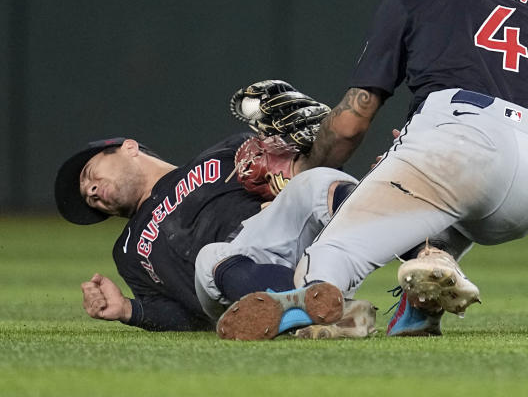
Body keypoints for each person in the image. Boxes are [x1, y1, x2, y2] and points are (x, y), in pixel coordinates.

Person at [220, 0, 528, 340]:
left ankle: (319, 306)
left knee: (331, 256)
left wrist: (309, 165)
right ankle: (421, 305)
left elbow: (350, 124)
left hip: (460, 145)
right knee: (436, 224)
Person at [54, 133, 373, 338]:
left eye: (89, 174)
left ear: (128, 147)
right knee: (212, 257)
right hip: (228, 284)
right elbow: (186, 317)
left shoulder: (226, 153)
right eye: (86, 195)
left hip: (282, 236)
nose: (90, 190)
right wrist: (128, 310)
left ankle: (419, 254)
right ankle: (320, 311)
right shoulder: (127, 252)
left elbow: (303, 164)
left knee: (316, 182)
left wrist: (288, 179)